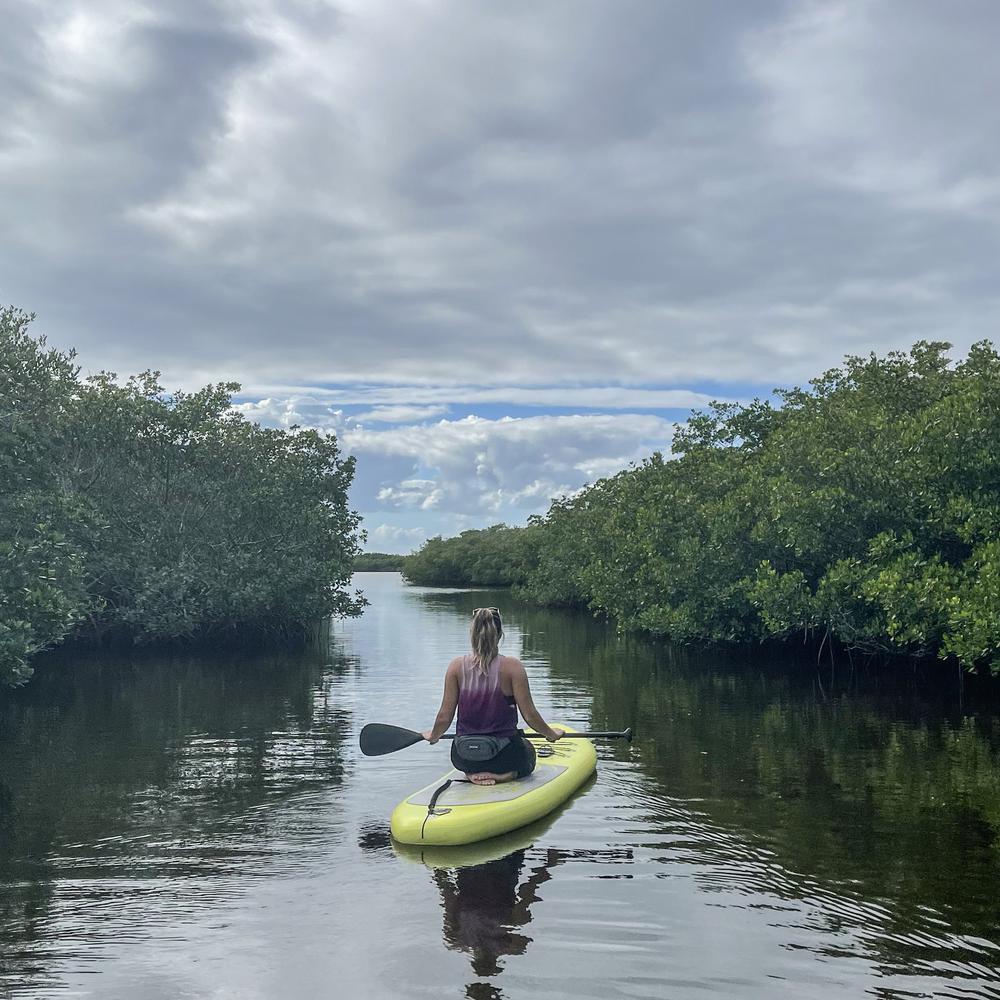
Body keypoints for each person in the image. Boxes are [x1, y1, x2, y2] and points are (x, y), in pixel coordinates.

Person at [422, 607, 563, 785]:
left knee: (469, 753)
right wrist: (550, 734)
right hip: (504, 758)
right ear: (500, 633)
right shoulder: (513, 667)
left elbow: (444, 716)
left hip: (464, 757)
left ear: (471, 633)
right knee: (528, 751)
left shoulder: (455, 667)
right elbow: (530, 716)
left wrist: (434, 736)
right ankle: (503, 775)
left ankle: (471, 774)